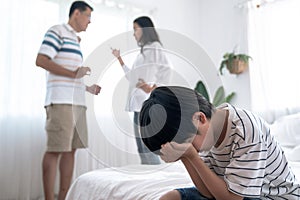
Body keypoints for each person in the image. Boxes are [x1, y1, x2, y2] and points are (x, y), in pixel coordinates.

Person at [139, 86, 300, 200]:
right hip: (232, 194)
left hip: (270, 196)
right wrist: (185, 157)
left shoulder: (244, 130)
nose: (192, 149)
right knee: (170, 198)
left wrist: (192, 156)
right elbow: (208, 192)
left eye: (188, 144)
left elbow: (232, 199)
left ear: (200, 118)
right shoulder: (209, 135)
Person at [35, 1, 101, 200]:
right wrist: (74, 73)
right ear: (76, 14)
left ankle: (63, 197)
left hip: (77, 102)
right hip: (61, 101)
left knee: (71, 151)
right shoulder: (57, 31)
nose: (90, 21)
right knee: (56, 150)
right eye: (88, 16)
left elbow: (73, 75)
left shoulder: (75, 40)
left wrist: (87, 87)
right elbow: (41, 60)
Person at [111, 16, 172, 165]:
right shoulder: (143, 52)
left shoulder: (154, 46)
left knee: (147, 148)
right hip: (138, 105)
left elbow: (168, 69)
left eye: (135, 29)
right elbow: (132, 77)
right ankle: (148, 179)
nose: (134, 33)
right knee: (141, 147)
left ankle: (155, 179)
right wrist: (119, 59)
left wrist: (155, 88)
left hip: (147, 104)